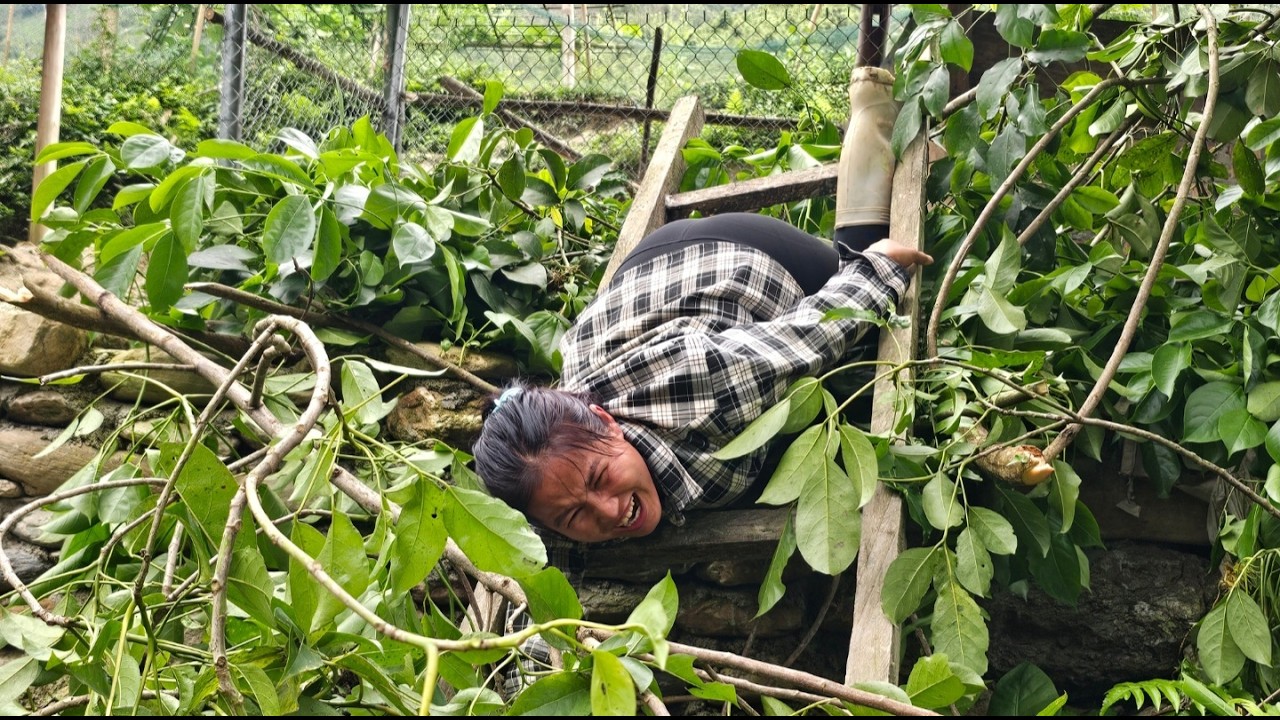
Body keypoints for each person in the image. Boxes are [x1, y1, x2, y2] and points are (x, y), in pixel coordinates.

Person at [472, 67, 931, 546]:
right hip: (643, 288)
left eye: (600, 478)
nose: (606, 511)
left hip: (747, 260)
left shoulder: (696, 385)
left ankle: (873, 107)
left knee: (859, 318)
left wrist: (876, 271)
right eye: (571, 518)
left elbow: (806, 340)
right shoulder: (553, 479)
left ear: (607, 424)